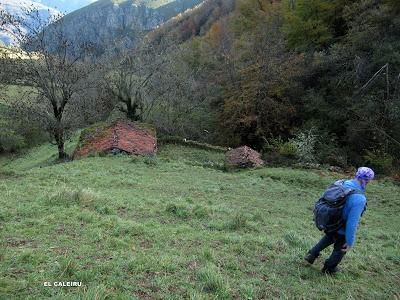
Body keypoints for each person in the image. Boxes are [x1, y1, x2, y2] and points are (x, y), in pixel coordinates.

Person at [304, 167, 375, 274]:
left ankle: (311, 254)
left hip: (330, 220)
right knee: (340, 248)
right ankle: (329, 268)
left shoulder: (340, 183)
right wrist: (350, 241)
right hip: (341, 226)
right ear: (368, 180)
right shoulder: (360, 198)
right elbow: (352, 223)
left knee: (329, 237)